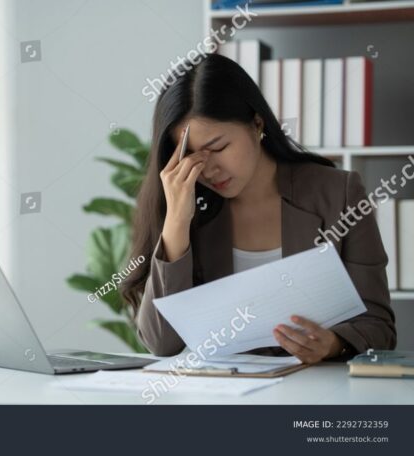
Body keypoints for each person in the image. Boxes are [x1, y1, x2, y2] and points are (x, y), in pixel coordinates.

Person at [120, 54, 396, 363]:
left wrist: (333, 344)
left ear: (257, 123)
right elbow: (161, 343)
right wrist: (176, 223)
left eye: (218, 147)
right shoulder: (188, 209)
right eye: (192, 157)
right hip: (227, 388)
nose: (208, 170)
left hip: (317, 386)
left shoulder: (339, 194)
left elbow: (379, 327)